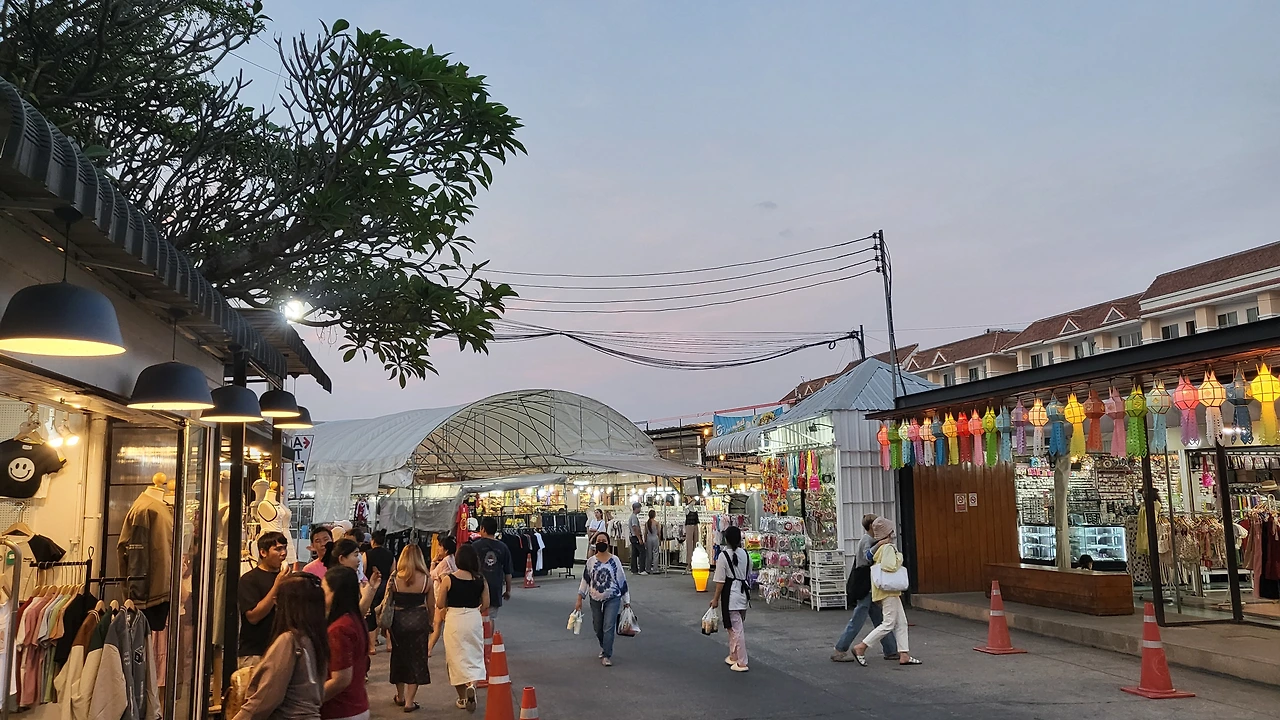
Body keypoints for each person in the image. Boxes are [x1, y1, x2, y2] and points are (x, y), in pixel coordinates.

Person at [233, 574, 329, 720]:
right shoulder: (315, 639)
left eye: (279, 599)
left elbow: (266, 698)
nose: (275, 601)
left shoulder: (288, 641)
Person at [852, 517, 921, 666]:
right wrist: (899, 557)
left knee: (901, 622)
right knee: (888, 623)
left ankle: (904, 654)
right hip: (889, 592)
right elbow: (889, 566)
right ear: (888, 532)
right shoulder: (888, 548)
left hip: (886, 591)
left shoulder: (879, 548)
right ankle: (861, 647)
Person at [832, 514, 898, 663]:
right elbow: (868, 557)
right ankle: (840, 649)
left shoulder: (870, 539)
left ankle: (891, 649)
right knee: (859, 619)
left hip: (869, 584)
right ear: (871, 527)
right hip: (866, 584)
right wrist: (880, 544)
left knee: (879, 619)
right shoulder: (867, 540)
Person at [435, 544, 489, 711]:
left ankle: (462, 698)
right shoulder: (480, 580)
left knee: (455, 658)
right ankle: (472, 684)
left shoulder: (448, 579)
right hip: (473, 618)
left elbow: (440, 603)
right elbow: (486, 603)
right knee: (474, 655)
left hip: (454, 619)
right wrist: (475, 608)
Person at [573, 531, 630, 667]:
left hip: (613, 597)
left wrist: (626, 601)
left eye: (604, 541)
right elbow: (585, 581)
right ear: (595, 543)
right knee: (598, 626)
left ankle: (606, 655)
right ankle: (604, 646)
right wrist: (579, 599)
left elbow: (622, 580)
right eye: (599, 541)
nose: (601, 543)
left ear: (608, 543)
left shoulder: (615, 560)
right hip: (594, 598)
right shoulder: (590, 562)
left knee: (608, 626)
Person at [388, 544, 433, 713]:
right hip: (419, 620)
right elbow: (432, 605)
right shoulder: (426, 579)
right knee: (417, 660)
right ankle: (409, 701)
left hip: (398, 621)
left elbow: (387, 602)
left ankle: (400, 696)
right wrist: (430, 623)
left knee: (399, 657)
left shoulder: (395, 578)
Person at [322, 566, 370, 720]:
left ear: (335, 594)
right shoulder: (354, 619)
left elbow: (341, 679)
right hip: (355, 704)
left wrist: (311, 699)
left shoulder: (339, 629)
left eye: (324, 590)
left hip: (341, 710)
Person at [238, 532, 290, 669]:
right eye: (278, 549)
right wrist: (277, 585)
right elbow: (253, 617)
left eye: (285, 548)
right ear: (263, 552)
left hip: (282, 650)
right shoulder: (249, 579)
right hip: (255, 652)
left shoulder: (287, 578)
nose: (283, 553)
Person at [710, 526, 750, 672]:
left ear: (726, 539)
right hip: (743, 594)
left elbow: (720, 581)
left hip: (731, 596)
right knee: (734, 627)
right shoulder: (746, 554)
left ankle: (742, 661)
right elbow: (748, 573)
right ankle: (734, 655)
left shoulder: (723, 556)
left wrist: (715, 599)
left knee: (736, 630)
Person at [470, 518, 512, 621]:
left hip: (477, 587)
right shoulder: (503, 547)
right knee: (490, 618)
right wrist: (508, 590)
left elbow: (469, 568)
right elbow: (508, 572)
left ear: (483, 529)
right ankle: (489, 632)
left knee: (476, 617)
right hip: (495, 587)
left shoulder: (474, 546)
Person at [365, 530, 395, 656]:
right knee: (386, 612)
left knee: (371, 615)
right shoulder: (390, 554)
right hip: (386, 585)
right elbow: (393, 571)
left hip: (373, 585)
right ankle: (389, 644)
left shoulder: (367, 554)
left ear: (372, 541)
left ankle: (372, 647)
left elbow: (363, 570)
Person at [629, 503, 645, 575]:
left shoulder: (632, 516)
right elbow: (635, 528)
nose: (640, 510)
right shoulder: (634, 517)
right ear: (637, 508)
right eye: (640, 508)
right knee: (642, 552)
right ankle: (641, 569)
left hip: (633, 537)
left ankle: (634, 569)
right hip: (635, 537)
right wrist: (639, 538)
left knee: (634, 553)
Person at [644, 509, 661, 574]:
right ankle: (655, 569)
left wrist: (645, 540)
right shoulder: (656, 523)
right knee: (655, 553)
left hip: (649, 538)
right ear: (654, 515)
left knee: (649, 554)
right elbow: (659, 533)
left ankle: (648, 568)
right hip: (655, 538)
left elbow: (645, 533)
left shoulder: (646, 523)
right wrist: (659, 540)